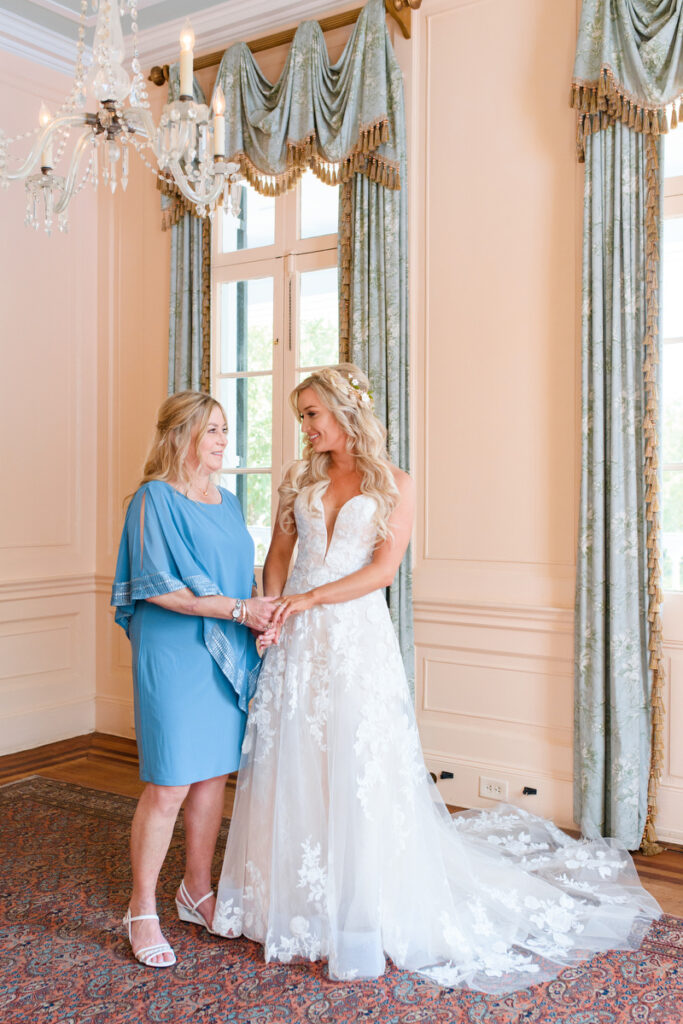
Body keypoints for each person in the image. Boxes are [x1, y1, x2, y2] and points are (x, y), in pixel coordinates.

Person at [212, 364, 661, 992]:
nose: (306, 427)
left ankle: (363, 908)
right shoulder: (298, 480)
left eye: (312, 413)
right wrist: (271, 614)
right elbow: (279, 557)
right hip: (296, 641)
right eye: (302, 416)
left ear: (345, 412)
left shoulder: (395, 484)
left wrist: (310, 602)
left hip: (353, 638)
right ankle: (294, 902)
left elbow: (381, 572)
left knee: (358, 763)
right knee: (299, 758)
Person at [111, 391, 277, 968]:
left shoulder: (228, 503)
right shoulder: (153, 499)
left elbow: (237, 575)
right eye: (211, 430)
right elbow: (158, 588)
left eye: (225, 429)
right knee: (169, 784)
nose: (223, 440)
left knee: (211, 777)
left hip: (226, 645)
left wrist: (258, 615)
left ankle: (196, 890)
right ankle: (141, 909)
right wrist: (239, 611)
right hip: (174, 651)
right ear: (179, 435)